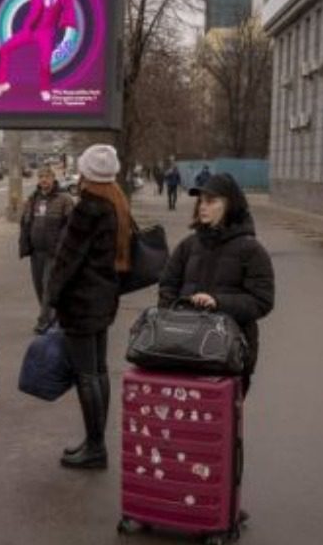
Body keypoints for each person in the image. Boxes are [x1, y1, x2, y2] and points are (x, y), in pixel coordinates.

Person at [47, 144, 131, 470]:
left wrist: (50, 301)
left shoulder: (88, 209)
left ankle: (95, 448)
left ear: (86, 174)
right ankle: (95, 442)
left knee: (87, 376)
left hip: (81, 303)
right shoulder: (117, 205)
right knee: (98, 372)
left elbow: (66, 261)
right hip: (103, 300)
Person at [158, 173, 274, 397]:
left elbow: (262, 301)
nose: (203, 207)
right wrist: (176, 317)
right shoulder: (188, 245)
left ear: (230, 204)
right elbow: (167, 286)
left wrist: (218, 302)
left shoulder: (251, 250)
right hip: (184, 350)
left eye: (211, 201)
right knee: (184, 422)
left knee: (220, 423)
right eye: (201, 201)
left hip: (228, 356)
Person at [19, 165, 75, 334]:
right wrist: (25, 244)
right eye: (41, 176)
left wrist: (62, 246)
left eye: (47, 176)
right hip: (37, 252)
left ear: (53, 178)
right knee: (39, 287)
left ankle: (44, 321)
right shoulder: (33, 199)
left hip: (54, 252)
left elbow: (70, 226)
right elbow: (26, 223)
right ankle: (53, 316)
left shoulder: (64, 199)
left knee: (48, 286)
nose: (44, 180)